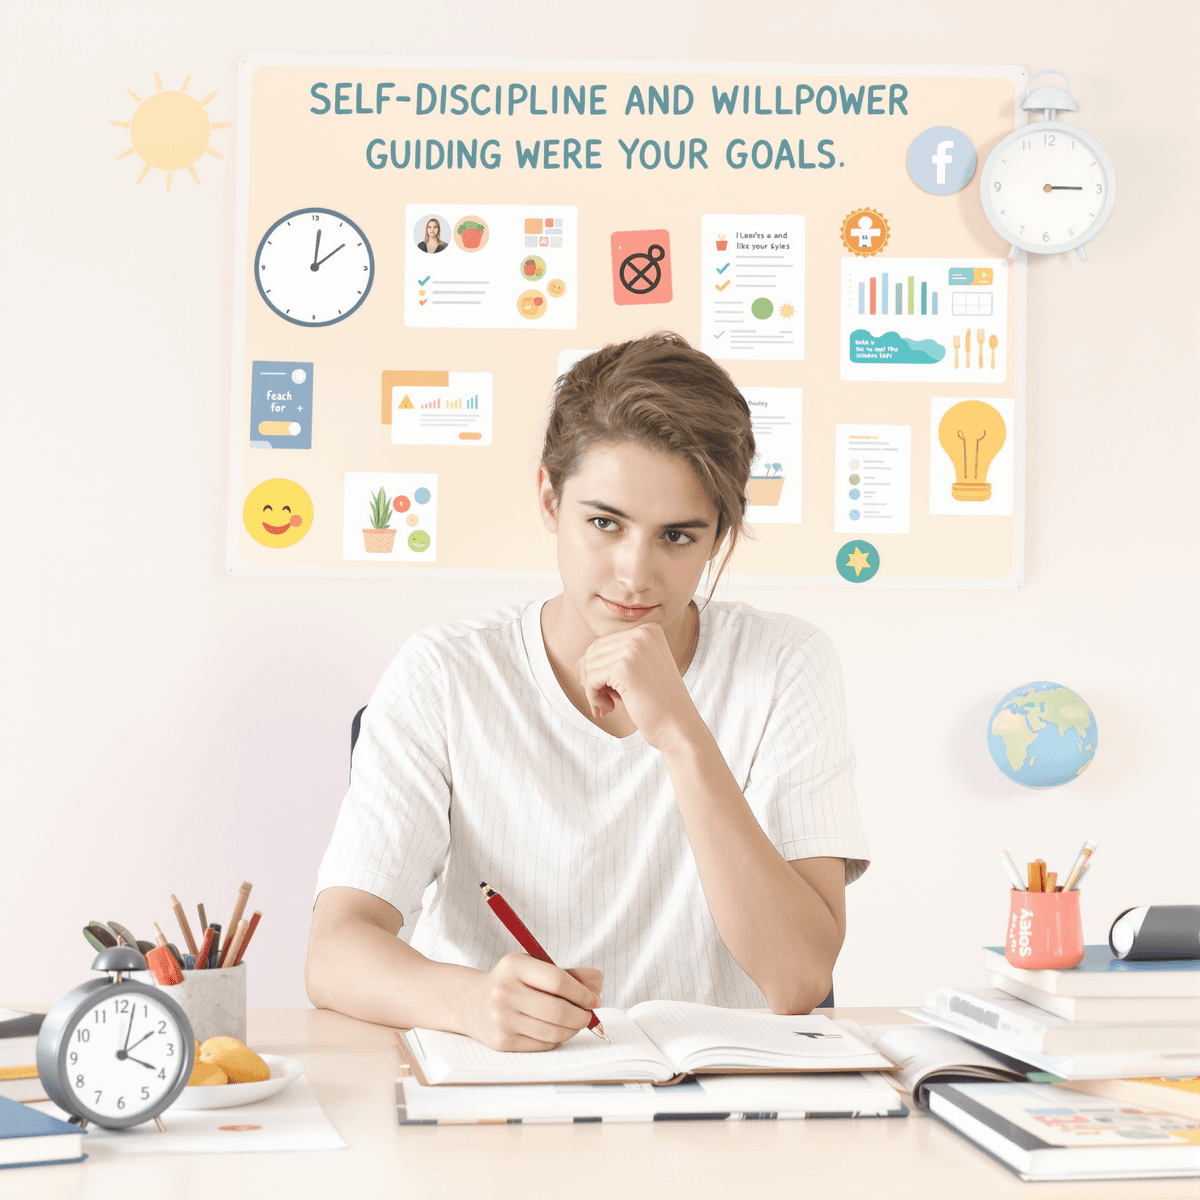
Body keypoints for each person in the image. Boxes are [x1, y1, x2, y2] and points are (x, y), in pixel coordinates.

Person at [306, 333, 869, 1052]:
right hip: (501, 1095)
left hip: (714, 1108)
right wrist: (473, 1002)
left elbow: (797, 979)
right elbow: (334, 952)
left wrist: (681, 736)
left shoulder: (786, 664)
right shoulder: (444, 673)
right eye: (605, 523)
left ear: (719, 538)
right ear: (549, 497)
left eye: (677, 537)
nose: (635, 573)